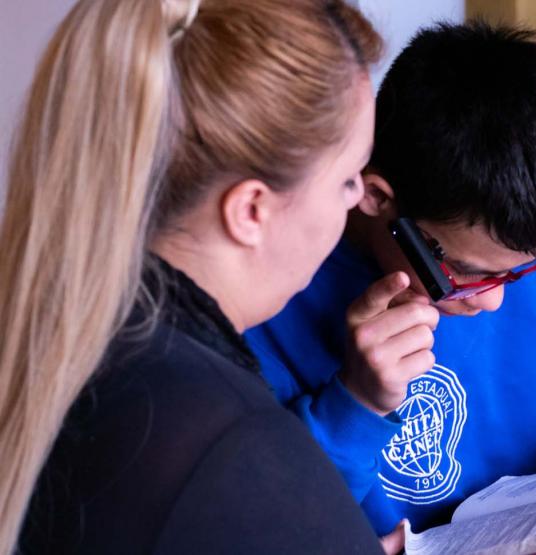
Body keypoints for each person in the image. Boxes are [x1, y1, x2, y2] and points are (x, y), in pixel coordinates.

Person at [246, 20, 536, 539]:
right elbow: (271, 520)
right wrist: (355, 404)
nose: (495, 300)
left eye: (520, 272)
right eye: (468, 275)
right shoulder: (271, 300)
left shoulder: (506, 238)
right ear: (378, 198)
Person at [0, 0, 391, 553]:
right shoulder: (232, 445)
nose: (354, 204)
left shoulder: (63, 339)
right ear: (251, 211)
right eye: (348, 180)